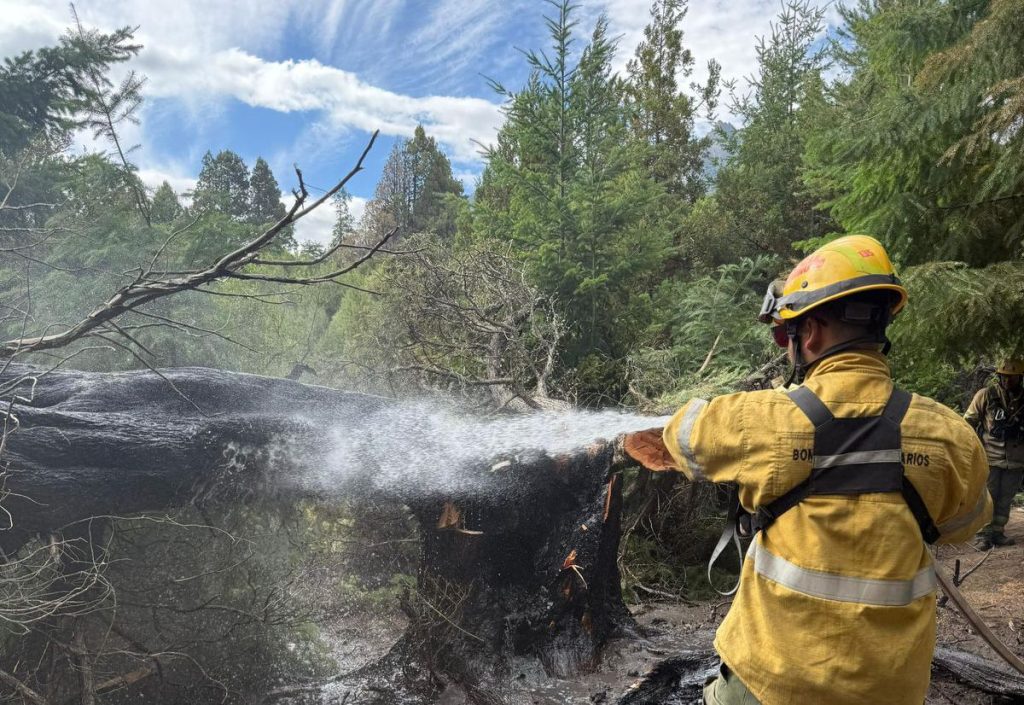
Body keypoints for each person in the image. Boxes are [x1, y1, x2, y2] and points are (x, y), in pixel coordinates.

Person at [625, 234, 991, 705]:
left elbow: (685, 434)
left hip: (774, 681)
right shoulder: (950, 436)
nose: (786, 344)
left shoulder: (760, 419)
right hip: (890, 688)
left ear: (811, 332)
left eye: (785, 334)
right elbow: (964, 524)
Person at [965, 358, 1024, 549]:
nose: (1007, 380)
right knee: (987, 497)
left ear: (1020, 378)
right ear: (999, 376)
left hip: (1016, 459)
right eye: (1004, 376)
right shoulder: (986, 395)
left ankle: (998, 532)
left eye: (1012, 377)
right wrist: (972, 448)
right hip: (989, 456)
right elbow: (968, 423)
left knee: (1006, 498)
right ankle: (983, 535)